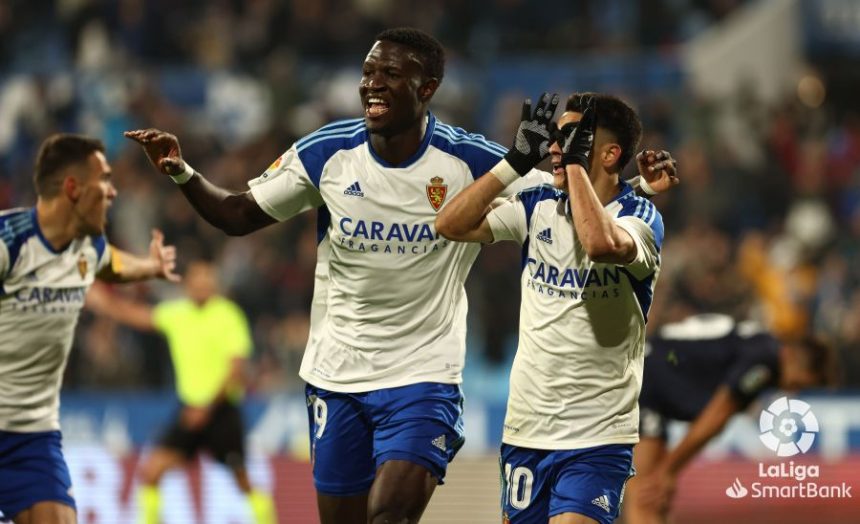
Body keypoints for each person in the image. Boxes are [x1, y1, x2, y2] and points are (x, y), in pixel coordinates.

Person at [124, 28, 676, 524]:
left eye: (391, 73)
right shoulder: (326, 154)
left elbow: (574, 207)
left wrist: (635, 190)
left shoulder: (470, 159)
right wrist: (181, 171)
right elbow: (238, 215)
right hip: (337, 371)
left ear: (428, 86)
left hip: (423, 374)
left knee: (389, 514)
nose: (373, 84)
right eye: (368, 72)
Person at [435, 92, 663, 524]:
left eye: (574, 138)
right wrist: (514, 162)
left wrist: (575, 167)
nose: (557, 147)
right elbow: (449, 225)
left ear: (610, 154)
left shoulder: (641, 218)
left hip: (598, 433)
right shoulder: (538, 205)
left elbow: (599, 244)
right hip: (527, 428)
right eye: (558, 138)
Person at [0, 134, 179, 524]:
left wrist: (149, 267)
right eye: (105, 179)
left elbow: (111, 263)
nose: (113, 192)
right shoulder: (8, 244)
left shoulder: (86, 248)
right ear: (72, 188)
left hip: (32, 436)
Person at [85, 260, 276, 524]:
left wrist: (206, 408)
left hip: (221, 411)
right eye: (196, 280)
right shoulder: (177, 314)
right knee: (151, 473)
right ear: (188, 284)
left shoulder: (228, 315)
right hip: (189, 411)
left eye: (206, 280)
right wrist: (101, 299)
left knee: (243, 481)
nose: (201, 285)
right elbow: (133, 314)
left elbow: (237, 371)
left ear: (214, 285)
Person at [622, 313, 836, 524]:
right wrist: (668, 471)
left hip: (653, 373)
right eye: (797, 383)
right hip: (648, 378)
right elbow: (716, 416)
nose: (792, 390)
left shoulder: (761, 347)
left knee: (657, 497)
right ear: (791, 356)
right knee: (647, 494)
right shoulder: (766, 361)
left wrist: (669, 471)